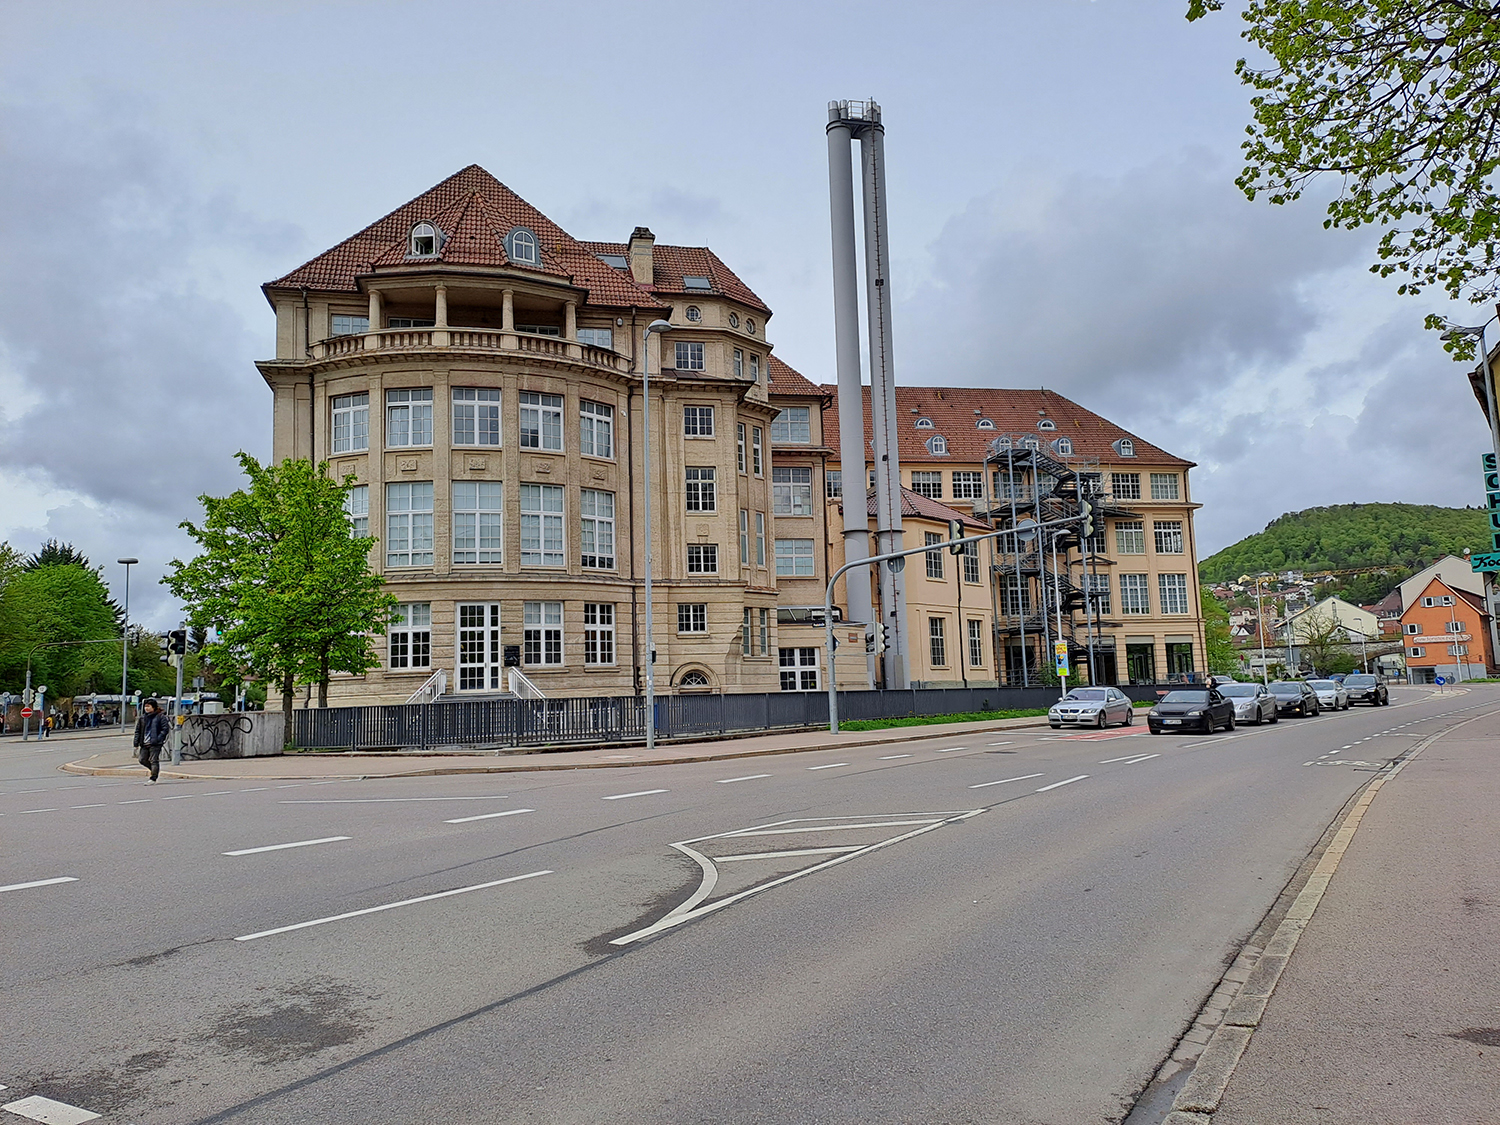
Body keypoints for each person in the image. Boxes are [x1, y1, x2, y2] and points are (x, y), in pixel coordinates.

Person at [133, 699, 169, 783]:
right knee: (142, 760)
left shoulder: (160, 717)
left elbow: (165, 729)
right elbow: (138, 731)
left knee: (153, 760)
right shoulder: (142, 718)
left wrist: (158, 739)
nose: (146, 708)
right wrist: (136, 743)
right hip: (144, 743)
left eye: (148, 706)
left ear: (154, 707)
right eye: (145, 706)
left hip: (155, 743)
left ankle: (153, 777)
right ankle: (154, 770)